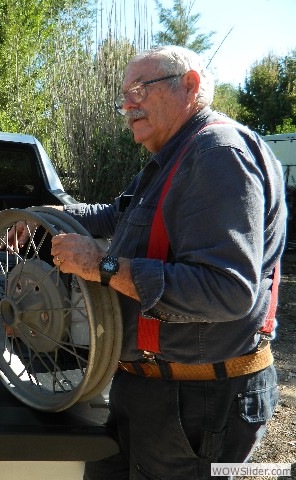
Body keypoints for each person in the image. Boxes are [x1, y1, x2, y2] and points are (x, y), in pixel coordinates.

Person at [17, 45, 286, 479]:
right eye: (123, 95)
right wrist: (44, 219)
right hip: (153, 390)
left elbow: (227, 291)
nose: (127, 105)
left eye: (140, 89)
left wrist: (104, 266)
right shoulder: (172, 158)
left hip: (199, 402)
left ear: (191, 86)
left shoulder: (217, 154)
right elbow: (117, 216)